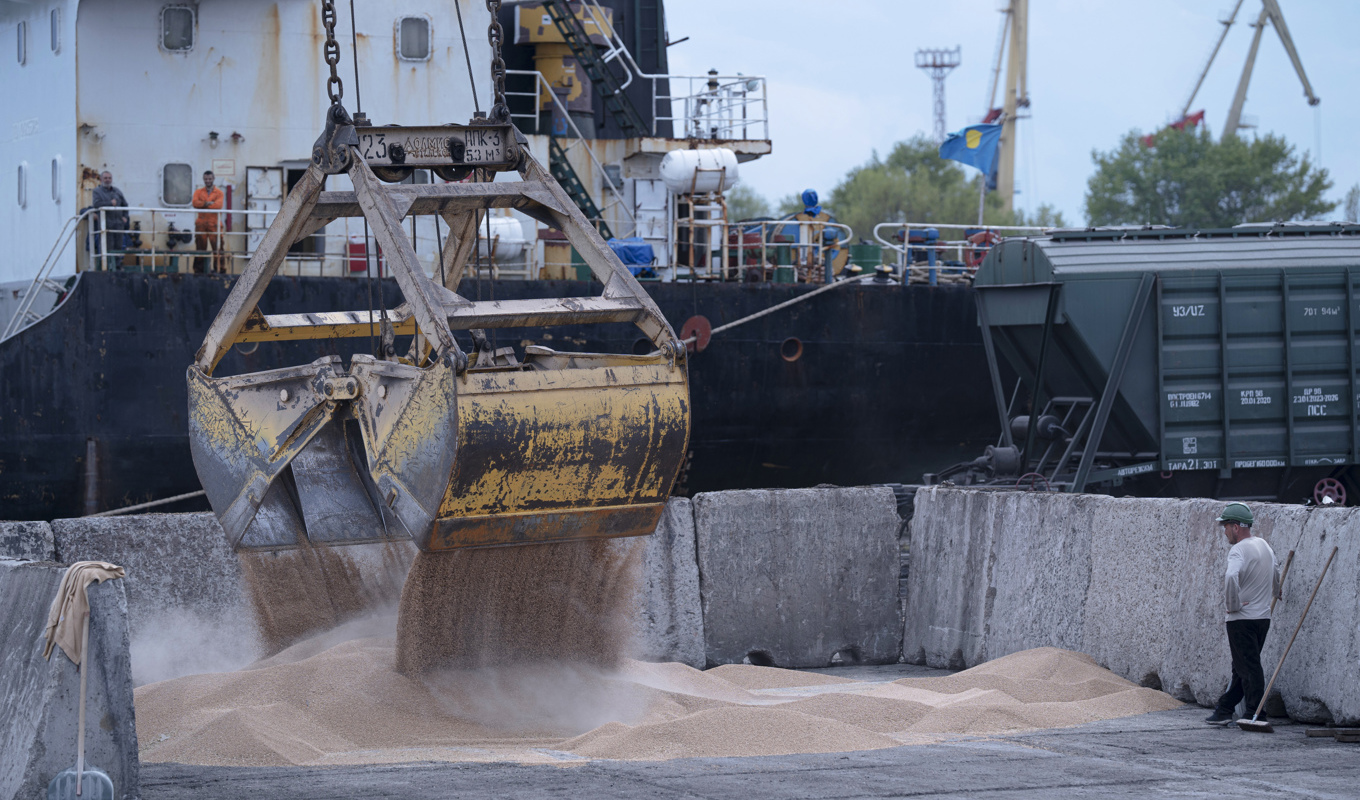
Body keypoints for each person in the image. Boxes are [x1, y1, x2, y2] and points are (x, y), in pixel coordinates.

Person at [1205, 503, 1282, 725]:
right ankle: (1225, 709)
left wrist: (1233, 604)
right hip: (1262, 618)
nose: (1225, 531)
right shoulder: (1263, 544)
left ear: (1237, 527)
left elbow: (1230, 577)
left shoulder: (1237, 550)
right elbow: (1275, 568)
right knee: (1242, 666)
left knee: (1249, 666)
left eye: (1226, 526)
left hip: (1242, 619)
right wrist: (1277, 591)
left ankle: (1255, 713)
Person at [192, 171, 226, 273]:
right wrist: (207, 203)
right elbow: (194, 203)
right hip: (201, 224)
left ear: (213, 179)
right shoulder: (198, 192)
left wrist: (202, 204)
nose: (208, 181)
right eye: (206, 179)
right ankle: (199, 270)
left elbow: (218, 205)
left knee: (218, 248)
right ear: (203, 179)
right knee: (200, 248)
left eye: (210, 179)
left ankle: (219, 269)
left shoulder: (219, 193)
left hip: (214, 224)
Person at [90, 171, 129, 256]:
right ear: (101, 179)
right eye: (105, 178)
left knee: (119, 246)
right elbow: (96, 204)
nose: (108, 180)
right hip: (106, 224)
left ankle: (118, 266)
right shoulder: (97, 191)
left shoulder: (117, 191)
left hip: (118, 224)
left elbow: (125, 205)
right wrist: (110, 203)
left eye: (109, 178)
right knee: (107, 246)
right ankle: (107, 266)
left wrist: (125, 216)